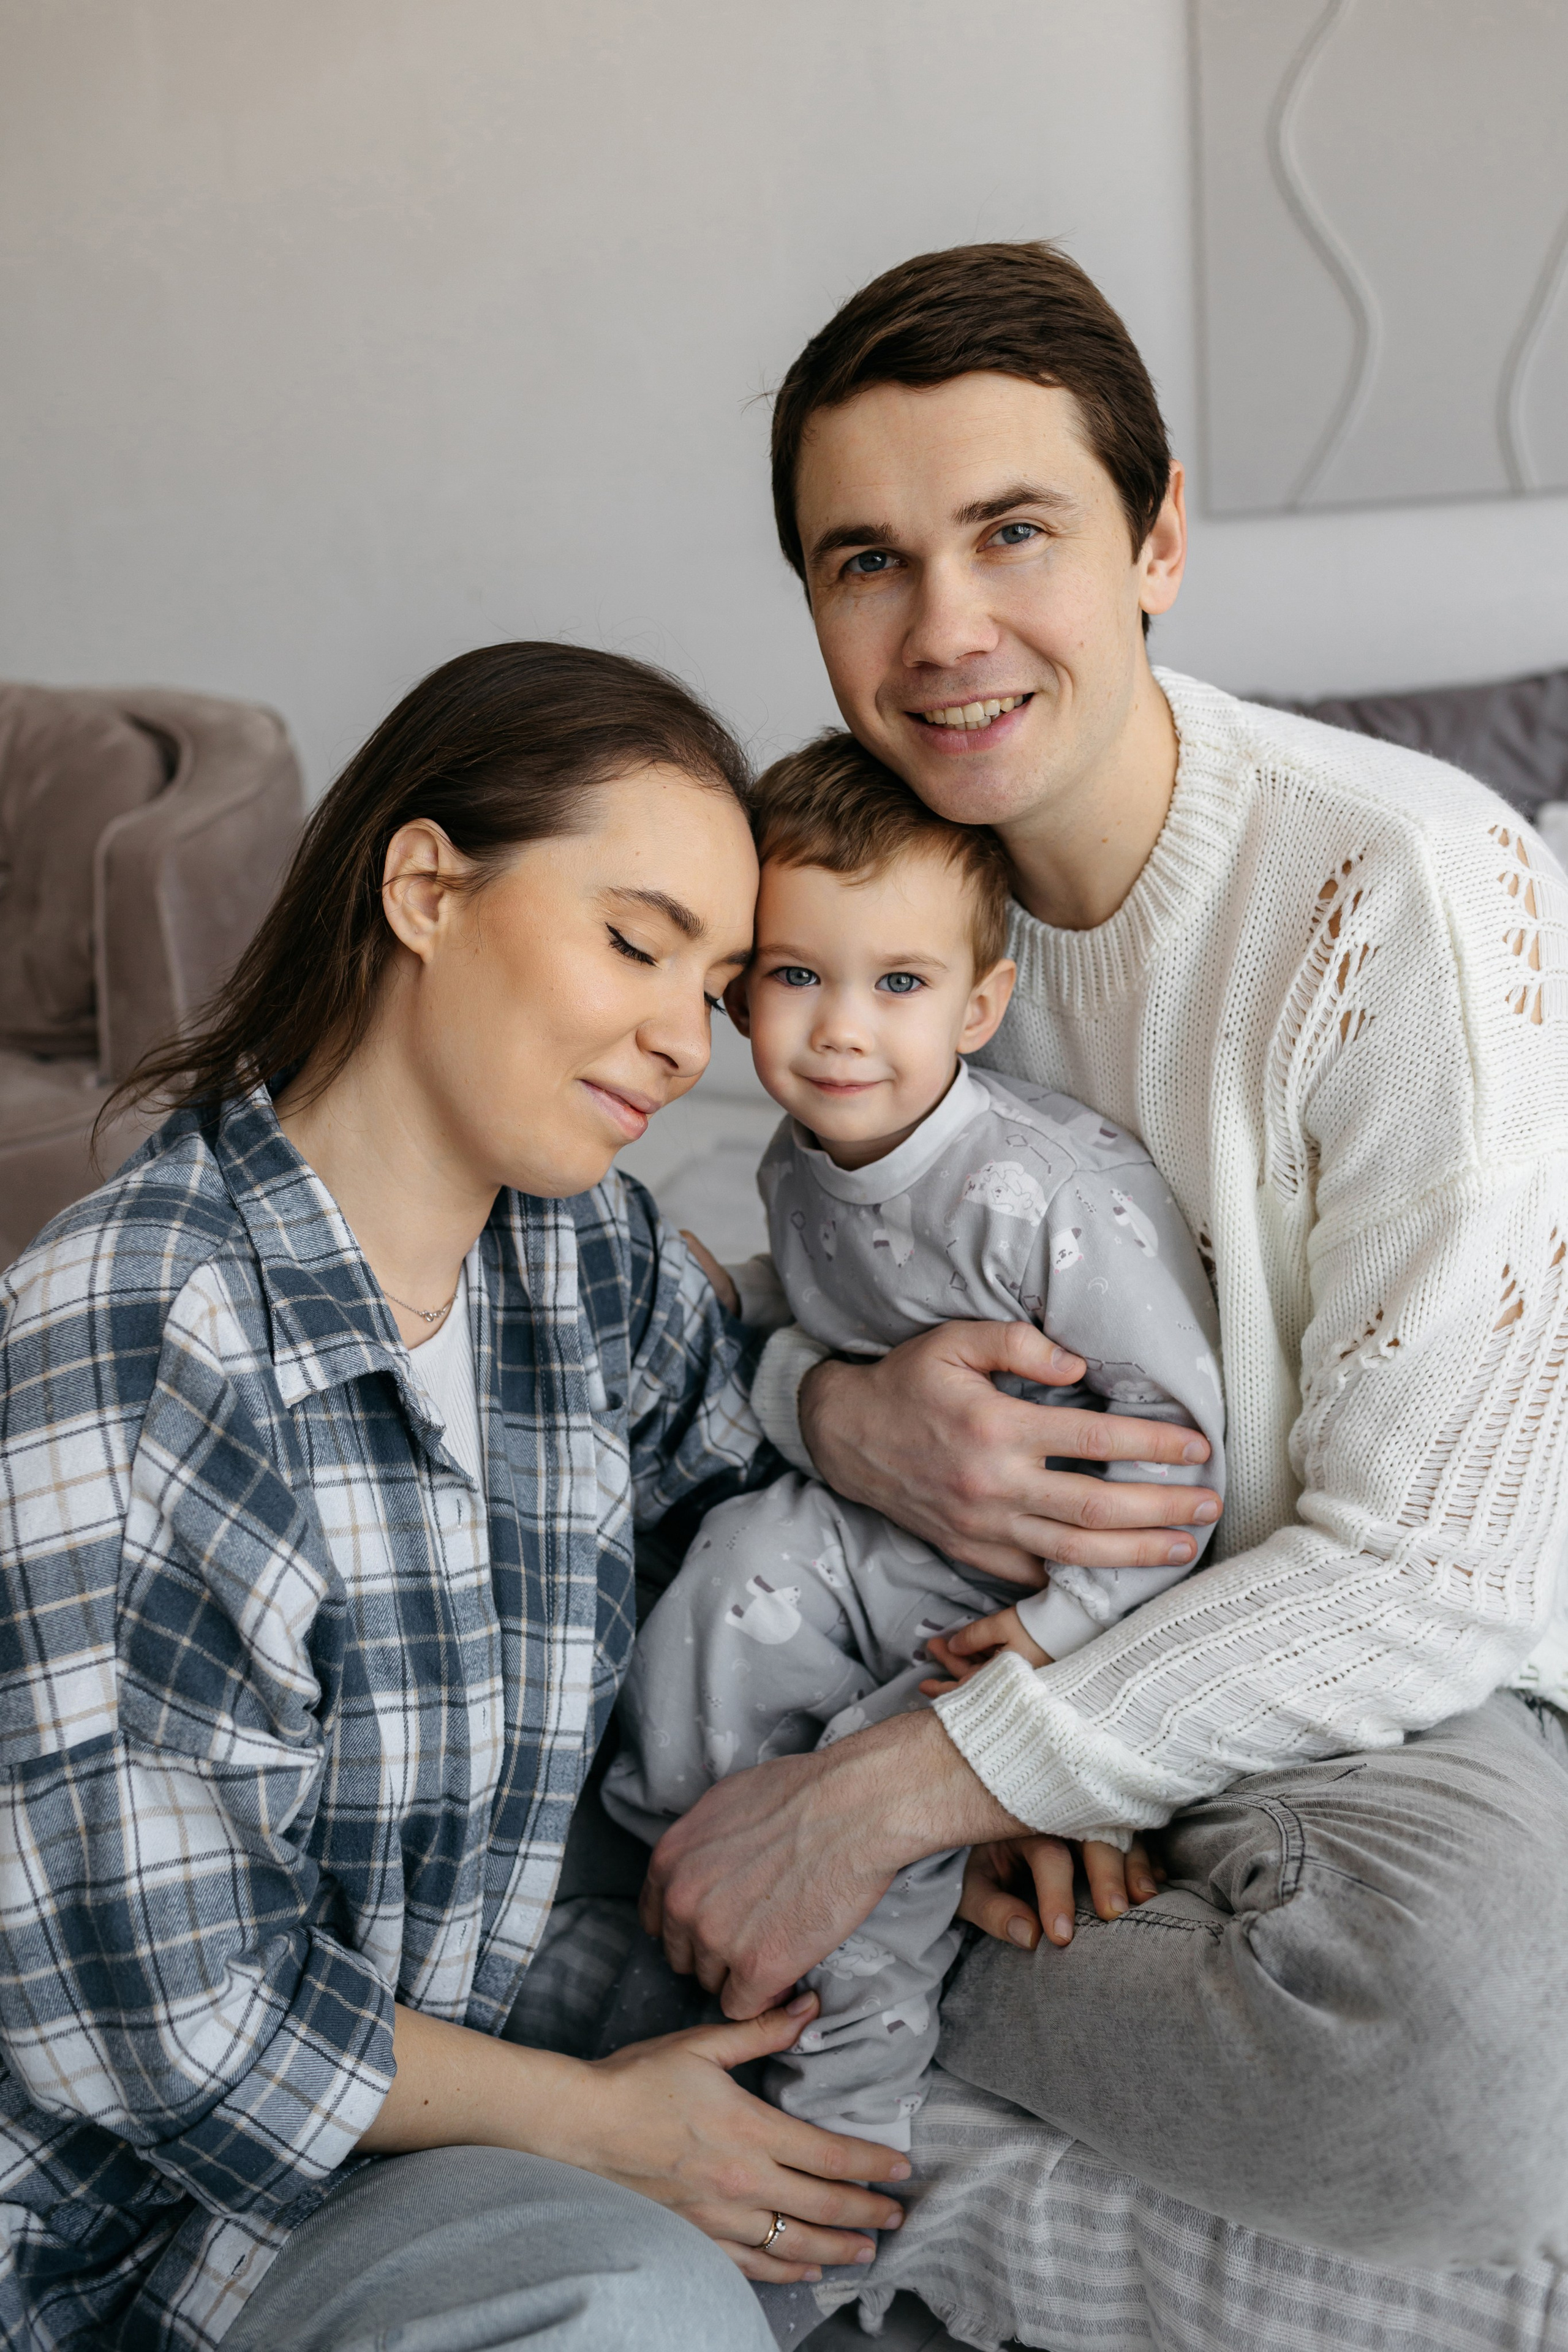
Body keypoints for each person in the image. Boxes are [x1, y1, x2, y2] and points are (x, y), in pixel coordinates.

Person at [638, 241, 1568, 2337]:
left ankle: (775, 1936)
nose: (943, 629)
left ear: (1158, 542)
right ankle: (821, 1936)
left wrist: (919, 1792)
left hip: (1377, 1663)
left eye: (1013, 533)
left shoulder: (1403, 886)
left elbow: (1437, 1573)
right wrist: (827, 1408)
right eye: (865, 559)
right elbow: (766, 1279)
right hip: (955, 1616)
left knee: (1480, 2053)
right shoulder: (860, 910)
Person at [0, 643, 914, 2352]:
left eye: (710, 985)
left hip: (437, 2086)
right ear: (424, 888)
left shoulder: (578, 1253)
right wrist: (603, 2130)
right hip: (131, 2238)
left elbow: (756, 1495)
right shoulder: (141, 1340)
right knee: (641, 2303)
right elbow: (167, 2025)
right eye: (634, 942)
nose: (676, 1038)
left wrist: (961, 1763)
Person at [604, 731, 1223, 2155]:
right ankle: (691, 1891)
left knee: (868, 1767)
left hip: (1047, 1591)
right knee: (721, 1574)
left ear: (976, 1002)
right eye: (796, 978)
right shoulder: (795, 1157)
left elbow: (1176, 1453)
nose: (839, 1030)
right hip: (886, 1533)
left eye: (897, 985)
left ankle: (847, 2108)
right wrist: (745, 1301)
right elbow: (838, 1297)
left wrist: (1063, 1630)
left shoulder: (1038, 1194)